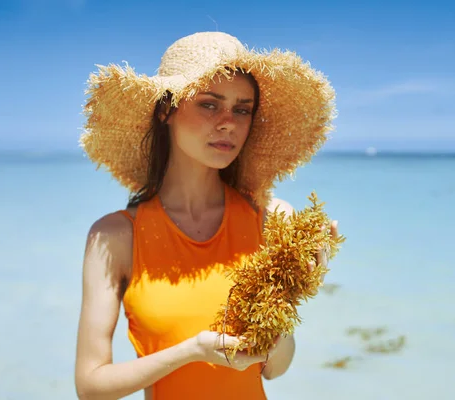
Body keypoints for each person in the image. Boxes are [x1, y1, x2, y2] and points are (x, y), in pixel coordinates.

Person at [74, 31, 339, 400]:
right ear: (166, 110)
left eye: (242, 109)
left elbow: (276, 368)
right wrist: (192, 351)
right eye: (210, 105)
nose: (228, 122)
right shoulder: (116, 236)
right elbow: (90, 386)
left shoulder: (272, 218)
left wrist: (293, 289)